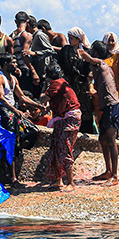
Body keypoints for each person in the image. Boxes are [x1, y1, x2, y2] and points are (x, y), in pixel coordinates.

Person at [0, 53, 47, 186]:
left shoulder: (13, 78)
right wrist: (15, 110)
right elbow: (1, 98)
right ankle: (12, 177)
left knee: (33, 132)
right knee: (12, 143)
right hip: (3, 111)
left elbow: (22, 97)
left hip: (12, 110)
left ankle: (16, 152)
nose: (16, 65)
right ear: (6, 64)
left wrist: (38, 105)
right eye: (14, 62)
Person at [80, 40, 119, 186]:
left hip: (113, 107)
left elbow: (90, 59)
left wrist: (80, 50)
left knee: (111, 141)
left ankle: (115, 176)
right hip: (106, 108)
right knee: (102, 139)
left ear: (96, 53)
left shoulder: (102, 64)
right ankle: (108, 171)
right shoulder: (99, 70)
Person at [41, 63, 81, 191]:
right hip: (63, 118)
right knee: (56, 147)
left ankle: (71, 182)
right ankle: (58, 180)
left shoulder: (57, 83)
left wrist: (44, 87)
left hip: (69, 118)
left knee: (64, 146)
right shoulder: (61, 82)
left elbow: (43, 99)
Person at [59, 28, 96, 134]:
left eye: (72, 38)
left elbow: (89, 67)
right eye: (69, 38)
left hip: (83, 85)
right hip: (70, 84)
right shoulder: (65, 50)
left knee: (85, 109)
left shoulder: (86, 51)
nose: (70, 41)